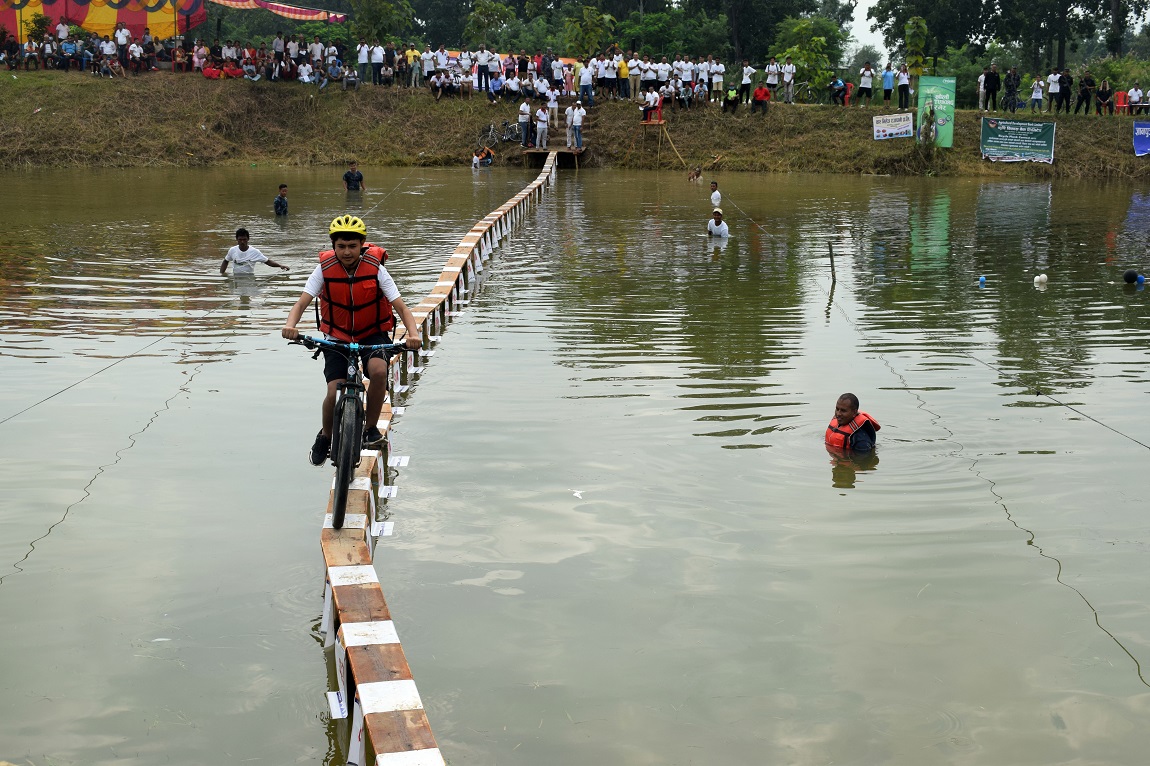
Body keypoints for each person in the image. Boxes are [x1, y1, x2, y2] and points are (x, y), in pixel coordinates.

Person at [281, 215, 422, 461]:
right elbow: (301, 303)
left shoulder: (377, 269)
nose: (347, 252)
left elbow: (401, 307)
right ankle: (326, 436)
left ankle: (370, 429)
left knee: (379, 372)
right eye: (341, 246)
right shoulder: (323, 270)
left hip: (372, 333)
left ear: (362, 245)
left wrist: (413, 334)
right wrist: (290, 326)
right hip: (336, 336)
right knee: (333, 389)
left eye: (352, 246)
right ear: (333, 246)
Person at [220, 229, 289, 275]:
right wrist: (222, 274)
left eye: (244, 239)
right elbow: (226, 261)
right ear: (236, 239)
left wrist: (280, 266)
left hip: (249, 278)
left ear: (248, 239)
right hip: (236, 279)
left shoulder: (255, 252)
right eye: (240, 239)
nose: (242, 242)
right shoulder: (232, 250)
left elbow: (267, 261)